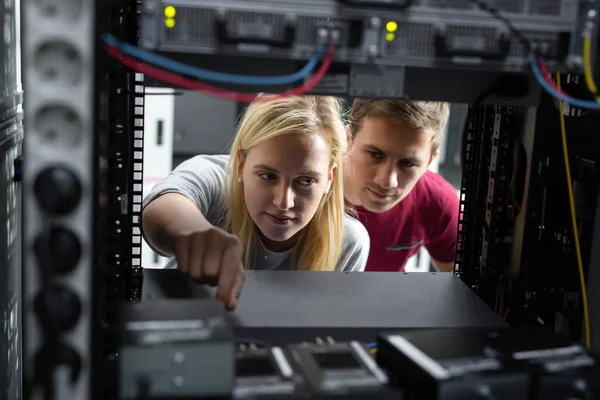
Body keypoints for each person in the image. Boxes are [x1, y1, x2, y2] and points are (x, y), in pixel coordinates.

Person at [142, 95, 370, 310]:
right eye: (268, 176)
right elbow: (162, 206)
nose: (283, 202)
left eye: (306, 181)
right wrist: (196, 235)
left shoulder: (347, 242)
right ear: (240, 162)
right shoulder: (215, 180)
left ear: (330, 177)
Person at [343, 98, 458, 273]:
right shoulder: (305, 191)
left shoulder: (437, 202)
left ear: (429, 161)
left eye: (408, 164)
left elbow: (463, 289)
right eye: (375, 154)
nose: (387, 181)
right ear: (348, 140)